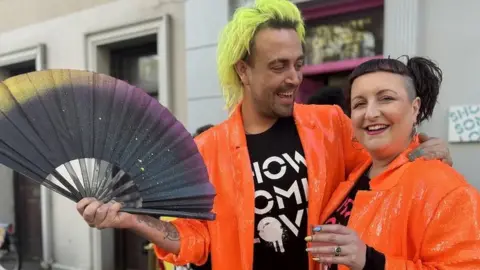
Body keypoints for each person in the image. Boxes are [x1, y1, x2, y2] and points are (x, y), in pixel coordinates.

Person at [76, 1, 452, 269]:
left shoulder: (330, 124)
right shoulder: (206, 150)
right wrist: (131, 221)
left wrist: (423, 148)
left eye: (299, 64)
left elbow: (383, 168)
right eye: (279, 66)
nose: (294, 77)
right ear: (243, 70)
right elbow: (195, 242)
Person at [305, 57, 480, 269]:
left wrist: (371, 262)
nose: (370, 113)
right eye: (359, 104)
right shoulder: (356, 173)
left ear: (415, 108)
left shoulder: (446, 188)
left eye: (386, 98)